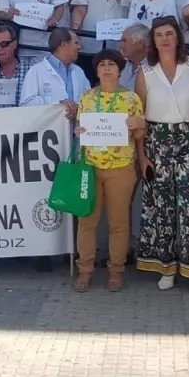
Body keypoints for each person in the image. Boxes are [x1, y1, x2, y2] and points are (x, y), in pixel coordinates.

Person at [135, 17, 189, 296]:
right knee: (162, 209)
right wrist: (142, 157)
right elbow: (139, 118)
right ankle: (166, 267)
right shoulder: (145, 72)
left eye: (169, 33)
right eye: (159, 35)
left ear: (177, 37)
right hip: (157, 143)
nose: (164, 39)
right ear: (153, 40)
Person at [73, 49, 145, 293]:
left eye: (111, 64)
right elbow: (80, 128)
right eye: (101, 64)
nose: (106, 68)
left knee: (119, 223)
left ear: (119, 69)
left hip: (121, 167)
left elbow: (140, 134)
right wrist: (78, 132)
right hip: (91, 166)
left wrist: (139, 125)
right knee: (87, 222)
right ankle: (85, 270)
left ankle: (116, 271)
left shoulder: (131, 98)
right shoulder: (87, 98)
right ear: (96, 70)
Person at [20, 28, 90, 113]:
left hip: (76, 125)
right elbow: (26, 104)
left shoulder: (79, 72)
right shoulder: (36, 71)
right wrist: (58, 104)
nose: (79, 47)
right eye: (76, 43)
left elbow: (89, 100)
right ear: (63, 44)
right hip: (48, 126)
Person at [117, 23, 151, 90]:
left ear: (140, 44)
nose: (120, 45)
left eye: (124, 41)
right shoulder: (123, 65)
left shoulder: (155, 67)